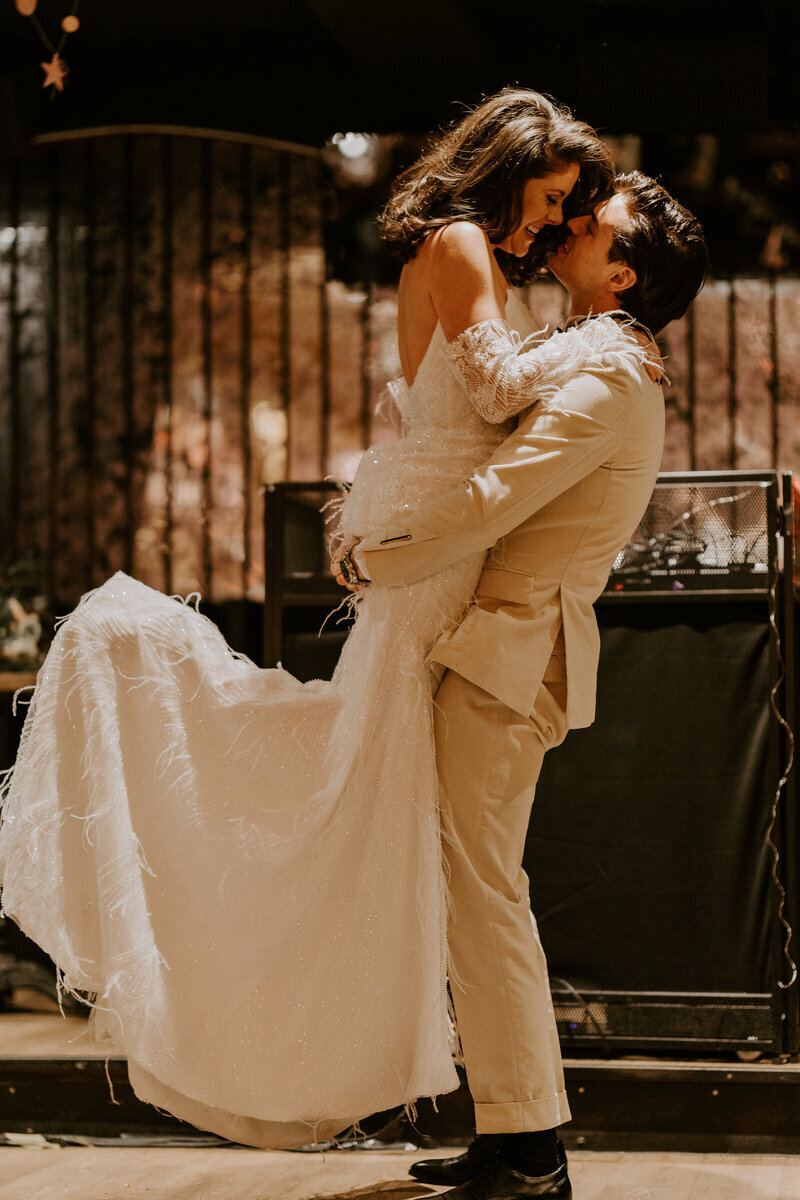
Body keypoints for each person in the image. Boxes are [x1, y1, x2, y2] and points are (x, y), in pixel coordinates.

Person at [0, 89, 662, 1150]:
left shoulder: (486, 263)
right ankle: (512, 1133)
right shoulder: (459, 241)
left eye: (569, 212)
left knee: (399, 835)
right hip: (439, 565)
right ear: (505, 170)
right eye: (547, 199)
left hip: (448, 568)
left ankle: (506, 1131)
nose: (549, 224)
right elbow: (491, 394)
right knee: (387, 823)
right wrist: (602, 340)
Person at [337, 172, 708, 1199]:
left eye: (595, 229)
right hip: (496, 646)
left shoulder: (609, 381)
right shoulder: (591, 360)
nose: (573, 227)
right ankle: (511, 1134)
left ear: (622, 274)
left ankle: (532, 1151)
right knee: (477, 892)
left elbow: (496, 499)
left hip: (511, 653)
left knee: (485, 894)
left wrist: (378, 552)